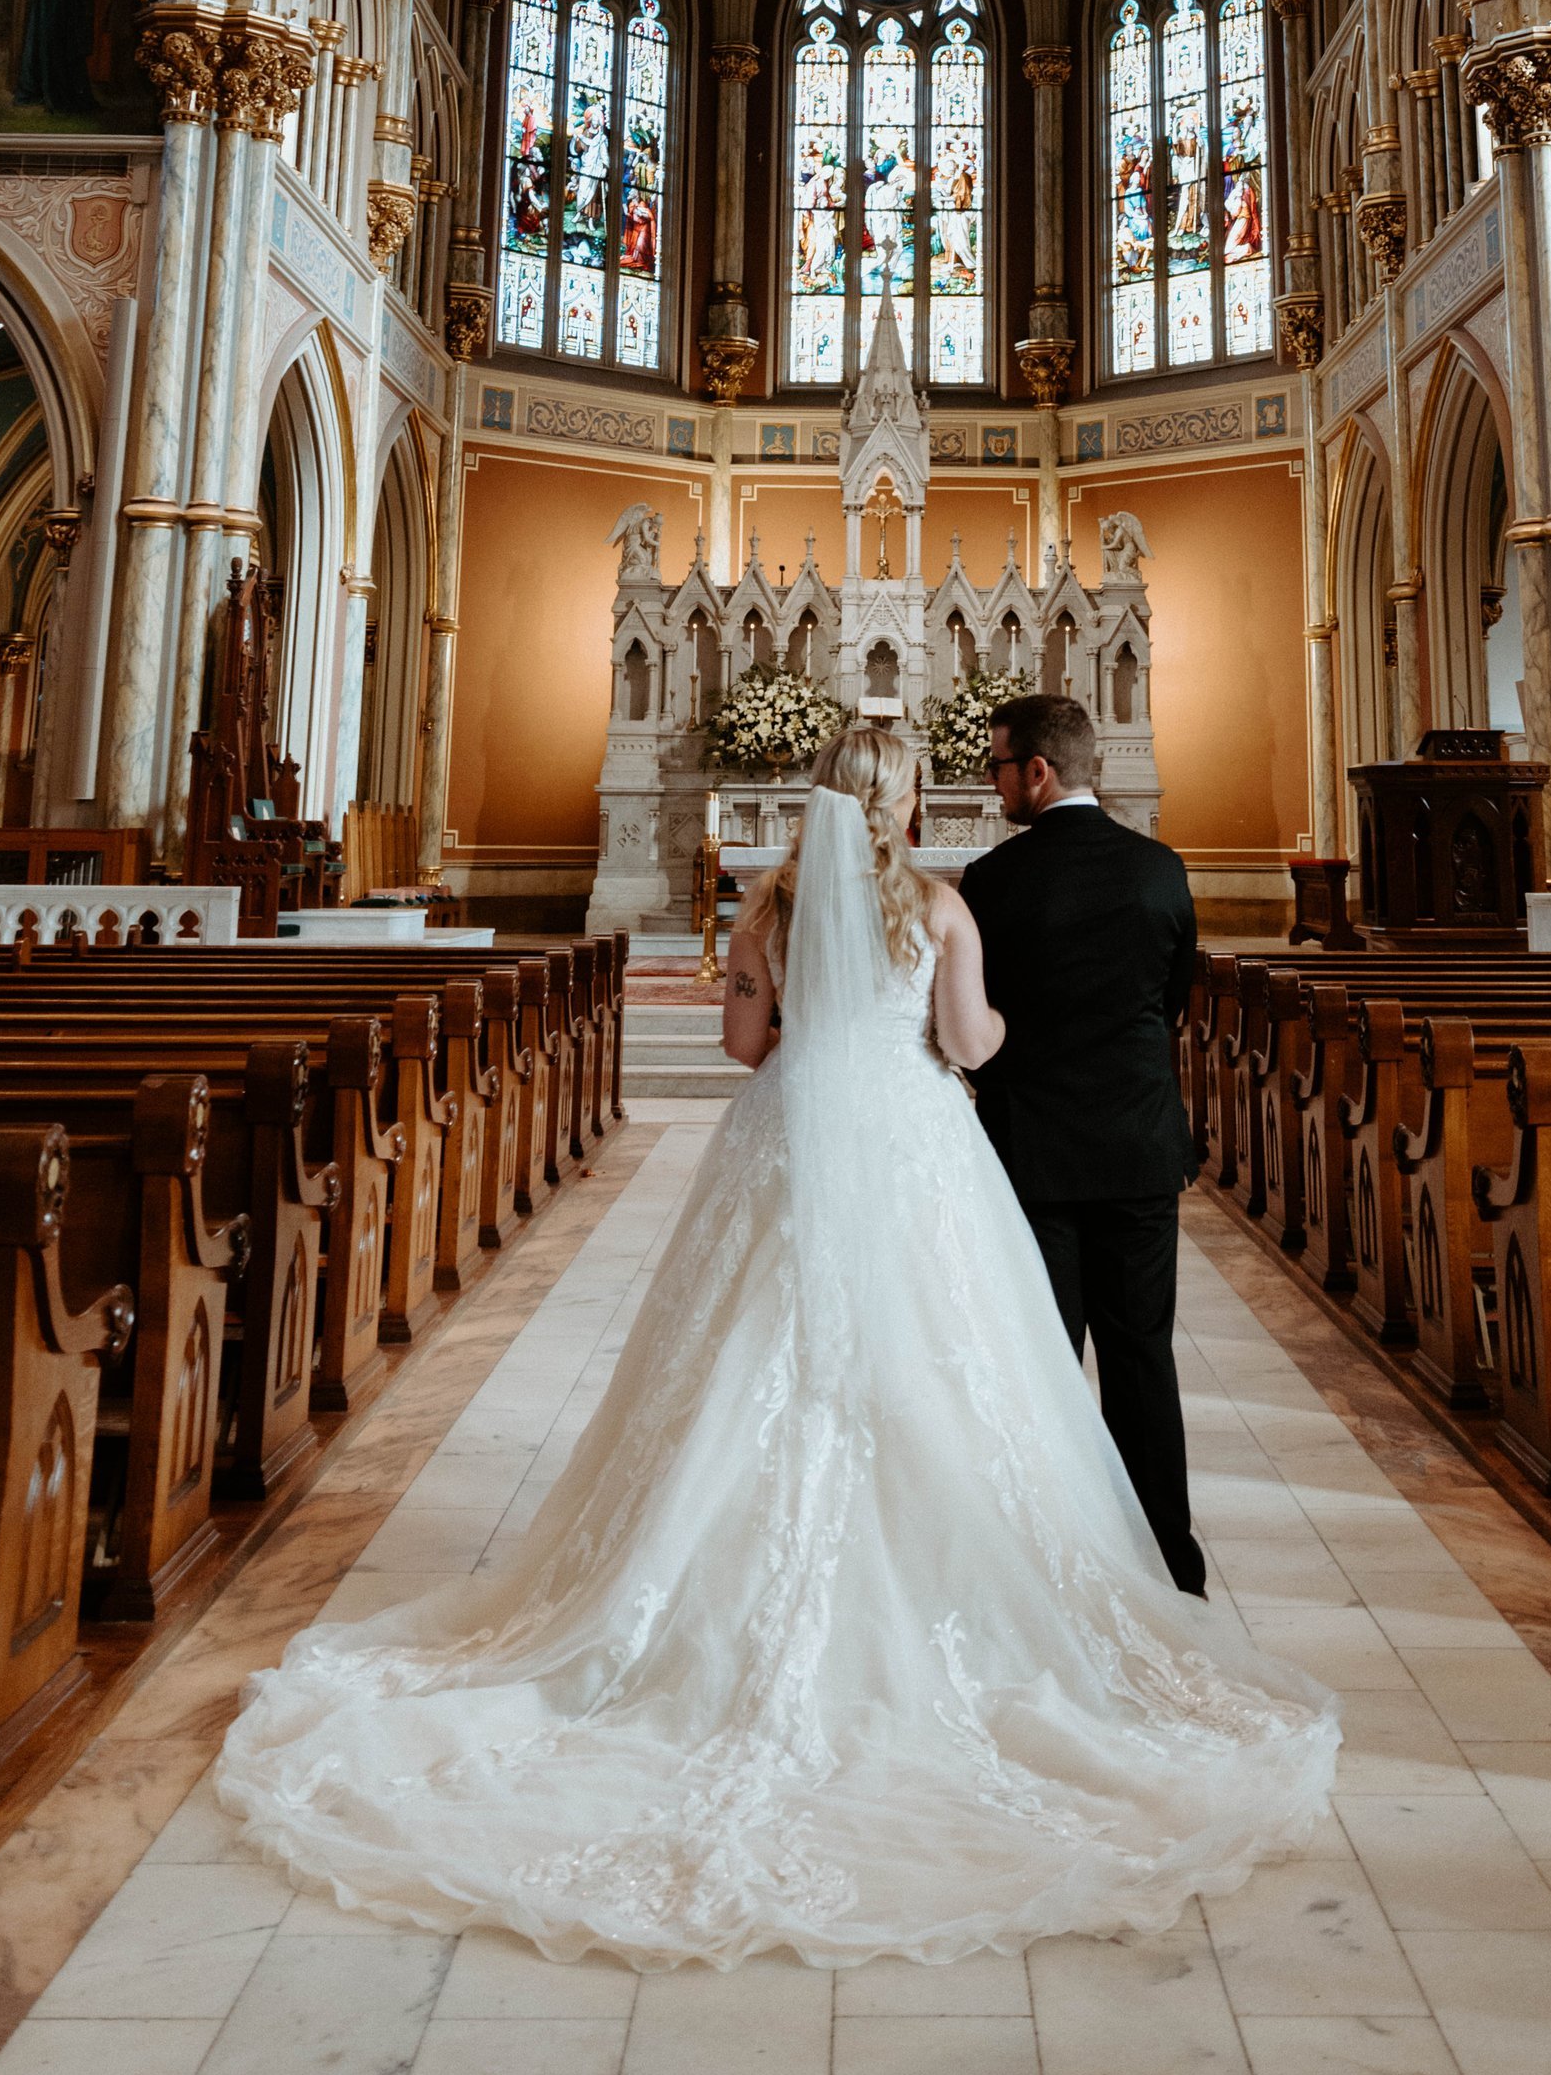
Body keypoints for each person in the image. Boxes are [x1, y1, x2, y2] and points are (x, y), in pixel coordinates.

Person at [214, 724, 1335, 1961]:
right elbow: (972, 1046)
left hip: (789, 1147)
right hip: (915, 1148)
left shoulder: (765, 909)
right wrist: (960, 1038)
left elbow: (746, 1048)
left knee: (751, 1354)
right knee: (946, 1364)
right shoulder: (947, 910)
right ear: (904, 797)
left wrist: (807, 1031)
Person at [963, 692, 1209, 1595]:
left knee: (1046, 1353)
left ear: (1038, 770)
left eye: (997, 766)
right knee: (1142, 1351)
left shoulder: (993, 882)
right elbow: (1175, 995)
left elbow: (977, 1019)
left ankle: (1057, 1554)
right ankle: (1170, 1560)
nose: (992, 786)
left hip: (1033, 1149)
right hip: (1140, 1145)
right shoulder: (1160, 869)